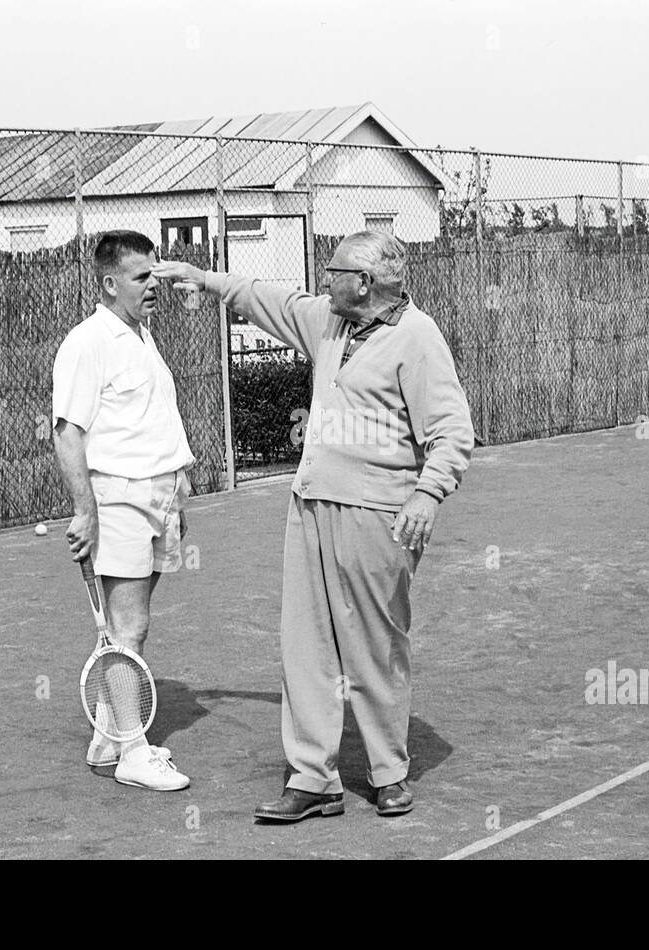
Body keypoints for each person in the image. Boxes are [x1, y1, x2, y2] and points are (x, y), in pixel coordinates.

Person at [152, 230, 473, 820]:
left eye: (334, 272)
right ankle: (313, 779)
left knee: (376, 644)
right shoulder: (330, 322)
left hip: (379, 512)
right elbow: (269, 299)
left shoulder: (417, 338)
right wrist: (206, 279)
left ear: (366, 282)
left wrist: (429, 493)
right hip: (311, 505)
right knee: (306, 646)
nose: (324, 281)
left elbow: (452, 431)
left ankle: (389, 771)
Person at [52, 230, 193, 791]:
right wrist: (85, 512)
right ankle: (135, 754)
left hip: (160, 497)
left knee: (124, 624)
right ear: (110, 283)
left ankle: (109, 736)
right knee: (129, 628)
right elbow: (68, 434)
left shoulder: (143, 337)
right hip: (120, 499)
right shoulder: (87, 343)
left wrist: (178, 491)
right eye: (142, 277)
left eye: (155, 274)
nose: (153, 285)